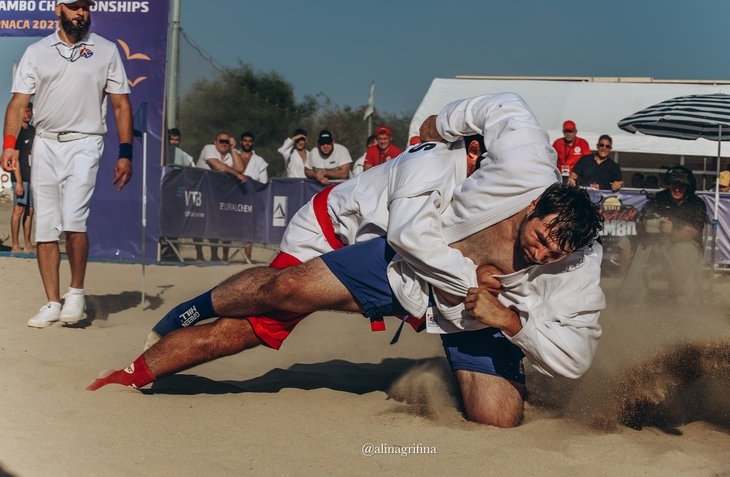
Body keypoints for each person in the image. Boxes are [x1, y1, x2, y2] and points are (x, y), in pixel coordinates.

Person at [90, 93, 606, 428]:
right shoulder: (449, 159)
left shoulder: (577, 263)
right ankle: (165, 339)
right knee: (271, 305)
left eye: (553, 254)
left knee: (497, 421)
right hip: (369, 247)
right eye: (539, 238)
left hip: (452, 300)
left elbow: (577, 355)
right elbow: (504, 109)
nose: (540, 254)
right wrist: (439, 122)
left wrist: (511, 320)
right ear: (535, 201)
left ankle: (486, 361)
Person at [1, 0, 134, 328]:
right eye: (74, 8)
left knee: (74, 218)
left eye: (85, 8)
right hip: (45, 143)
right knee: (45, 225)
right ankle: (51, 301)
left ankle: (76, 291)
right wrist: (9, 145)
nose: (81, 14)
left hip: (86, 142)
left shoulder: (105, 51)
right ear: (58, 10)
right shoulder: (36, 51)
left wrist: (125, 152)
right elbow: (18, 102)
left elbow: (120, 104)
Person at [642, 166, 708, 305]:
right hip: (657, 242)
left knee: (680, 251)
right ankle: (632, 295)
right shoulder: (659, 198)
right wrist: (647, 221)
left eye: (682, 186)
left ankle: (678, 297)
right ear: (668, 184)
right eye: (674, 184)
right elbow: (644, 217)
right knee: (626, 244)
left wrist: (672, 231)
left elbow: (692, 233)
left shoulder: (696, 204)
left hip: (688, 246)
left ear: (688, 187)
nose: (677, 189)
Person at [196, 131, 246, 261]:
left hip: (220, 195)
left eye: (227, 142)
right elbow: (215, 164)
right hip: (202, 192)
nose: (224, 144)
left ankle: (217, 255)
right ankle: (199, 254)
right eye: (221, 141)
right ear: (215, 142)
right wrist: (235, 174)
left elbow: (240, 168)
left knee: (221, 224)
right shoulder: (209, 148)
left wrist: (234, 148)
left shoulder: (230, 154)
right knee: (198, 222)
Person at [10, 102, 35, 253]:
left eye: (30, 111)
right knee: (18, 210)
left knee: (30, 210)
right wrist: (19, 182)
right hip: (20, 177)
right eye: (26, 111)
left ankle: (27, 243)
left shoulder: (33, 131)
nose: (29, 114)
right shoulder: (16, 131)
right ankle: (14, 244)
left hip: (33, 177)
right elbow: (15, 158)